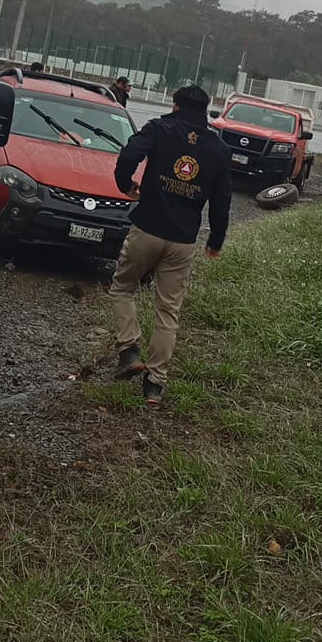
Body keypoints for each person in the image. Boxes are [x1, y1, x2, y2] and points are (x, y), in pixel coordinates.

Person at [109, 84, 232, 404]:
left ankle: (130, 351)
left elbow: (129, 155)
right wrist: (215, 242)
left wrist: (126, 184)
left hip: (147, 228)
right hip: (183, 241)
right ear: (206, 111)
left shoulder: (159, 128)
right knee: (168, 311)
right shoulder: (218, 149)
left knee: (123, 288)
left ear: (176, 106)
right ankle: (154, 385)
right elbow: (222, 202)